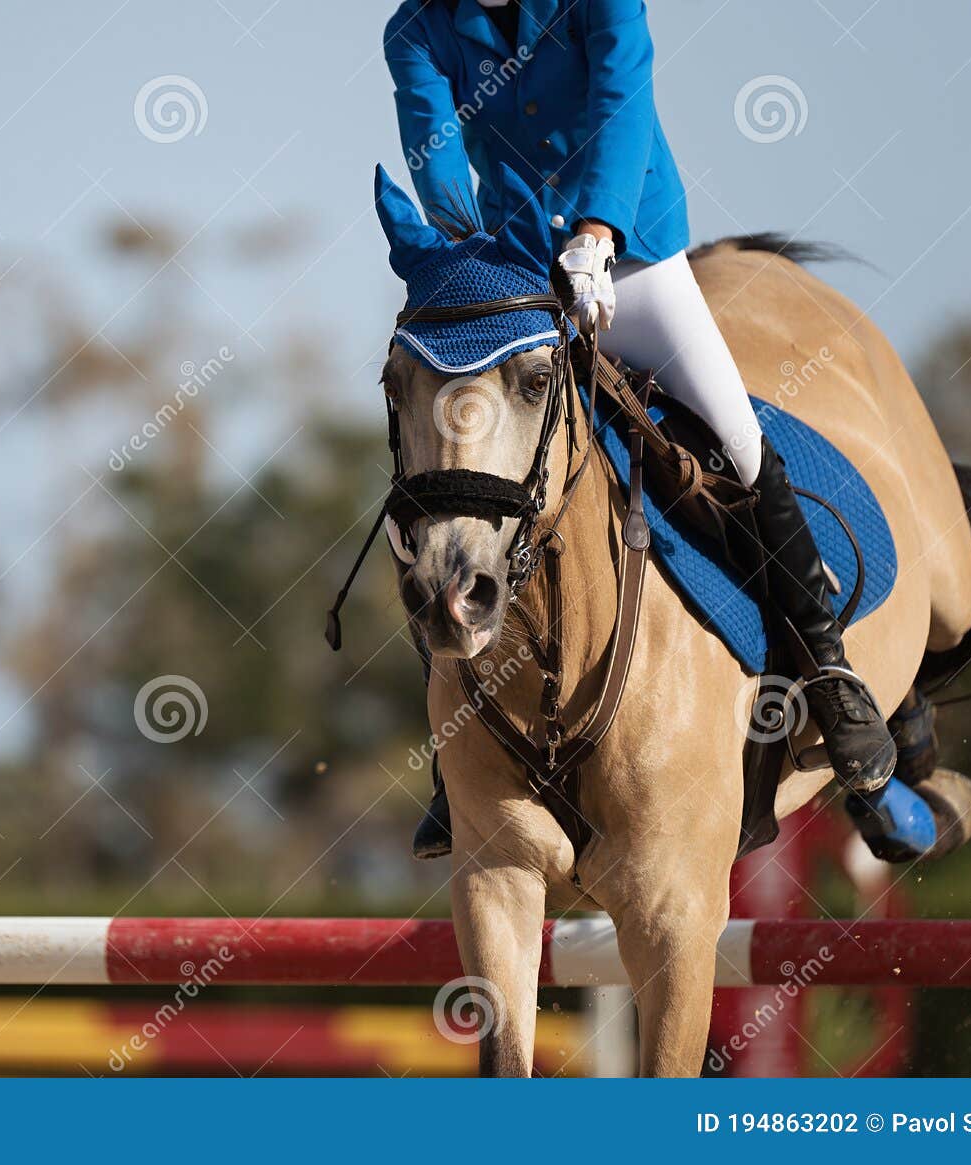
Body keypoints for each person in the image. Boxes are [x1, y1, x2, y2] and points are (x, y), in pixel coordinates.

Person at [383, 0, 900, 860]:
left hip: (632, 254)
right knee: (450, 477)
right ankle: (458, 754)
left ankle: (831, 671)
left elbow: (621, 101)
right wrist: (467, 247)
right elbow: (434, 151)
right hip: (514, 273)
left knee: (734, 440)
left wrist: (595, 230)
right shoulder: (415, 29)